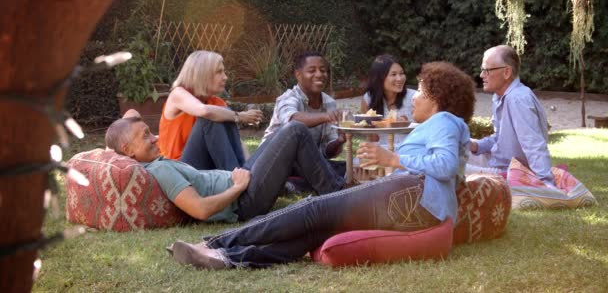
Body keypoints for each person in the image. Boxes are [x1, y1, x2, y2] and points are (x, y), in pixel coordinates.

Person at [168, 61, 476, 270]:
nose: (415, 99)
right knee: (317, 232)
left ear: (437, 98)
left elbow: (446, 165)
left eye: (421, 93)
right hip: (417, 205)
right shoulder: (444, 124)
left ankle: (213, 243)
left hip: (413, 195)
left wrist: (393, 159)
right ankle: (230, 258)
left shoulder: (444, 120)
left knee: (315, 210)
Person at [106, 110, 345, 223]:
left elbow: (131, 115)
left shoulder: (144, 162)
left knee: (281, 135)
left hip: (240, 182)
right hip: (244, 200)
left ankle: (336, 185)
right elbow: (200, 210)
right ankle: (338, 196)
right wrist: (237, 188)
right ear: (128, 150)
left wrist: (114, 147)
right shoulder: (160, 170)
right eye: (146, 136)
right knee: (295, 131)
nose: (155, 138)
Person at [157, 50, 263, 171]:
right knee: (210, 118)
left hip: (204, 168)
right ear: (201, 74)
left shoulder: (217, 103)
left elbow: (238, 142)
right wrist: (240, 116)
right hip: (177, 170)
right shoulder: (178, 94)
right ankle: (235, 180)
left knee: (222, 112)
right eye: (219, 72)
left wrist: (249, 167)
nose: (225, 77)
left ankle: (245, 174)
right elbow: (204, 111)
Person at [466, 45, 555, 185]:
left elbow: (533, 144)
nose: (482, 75)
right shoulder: (501, 96)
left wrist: (545, 184)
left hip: (510, 173)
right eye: (482, 70)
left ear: (507, 72)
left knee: (446, 167)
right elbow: (500, 139)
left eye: (487, 70)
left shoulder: (517, 99)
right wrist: (475, 146)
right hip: (497, 163)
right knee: (451, 148)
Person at [262, 51, 346, 179]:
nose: (319, 75)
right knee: (332, 173)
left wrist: (338, 141)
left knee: (348, 167)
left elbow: (325, 153)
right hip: (275, 164)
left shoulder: (329, 103)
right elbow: (293, 122)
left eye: (323, 70)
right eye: (312, 70)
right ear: (298, 75)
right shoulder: (287, 98)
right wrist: (326, 116)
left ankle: (298, 182)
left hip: (307, 165)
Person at [361, 54, 416, 145]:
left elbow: (426, 131)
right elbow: (372, 139)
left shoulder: (414, 97)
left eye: (401, 73)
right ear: (379, 78)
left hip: (410, 153)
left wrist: (406, 125)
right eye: (393, 74)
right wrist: (370, 125)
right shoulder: (369, 99)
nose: (399, 78)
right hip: (382, 153)